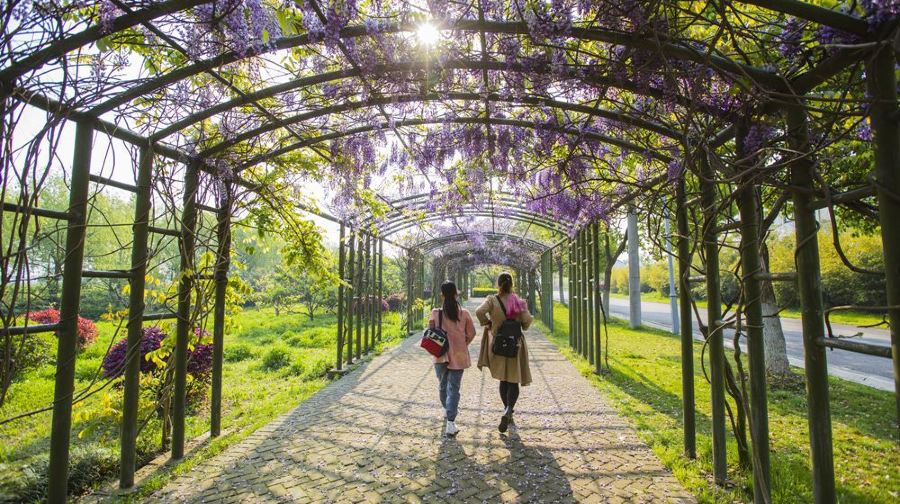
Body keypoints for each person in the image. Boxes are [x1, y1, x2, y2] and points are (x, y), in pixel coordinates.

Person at [475, 272, 534, 433]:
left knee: (503, 379)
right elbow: (527, 321)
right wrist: (520, 324)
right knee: (513, 380)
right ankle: (508, 410)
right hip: (516, 345)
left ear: (498, 284)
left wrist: (488, 323)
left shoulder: (492, 300)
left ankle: (507, 409)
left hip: (499, 344)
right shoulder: (518, 302)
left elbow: (479, 312)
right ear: (512, 284)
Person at [429, 280, 476, 436]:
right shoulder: (464, 313)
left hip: (440, 354)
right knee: (454, 388)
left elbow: (430, 333)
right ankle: (450, 422)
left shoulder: (435, 313)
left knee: (443, 385)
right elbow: (472, 333)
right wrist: (463, 344)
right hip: (459, 355)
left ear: (442, 295)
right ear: (456, 294)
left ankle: (446, 408)